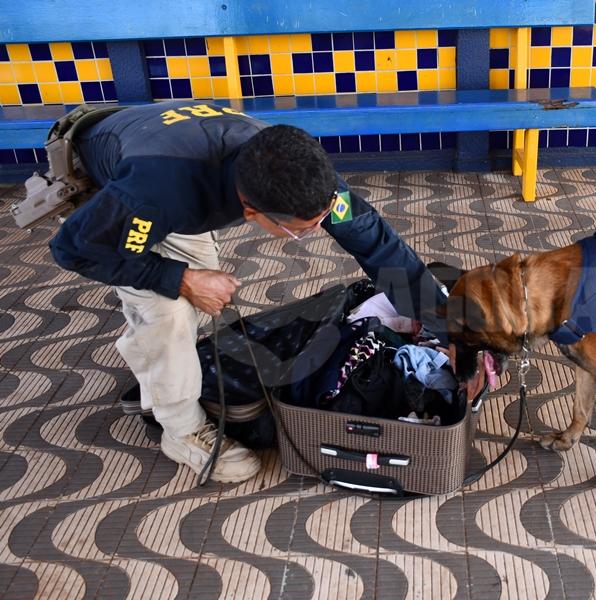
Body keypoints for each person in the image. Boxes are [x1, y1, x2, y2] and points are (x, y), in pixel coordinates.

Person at [49, 100, 447, 483]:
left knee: (186, 291)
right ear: (251, 213)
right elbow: (74, 249)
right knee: (168, 313)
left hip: (164, 154)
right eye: (301, 230)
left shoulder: (296, 168)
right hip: (113, 180)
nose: (315, 231)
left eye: (321, 220)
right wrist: (180, 279)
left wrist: (450, 329)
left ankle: (161, 371)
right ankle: (181, 432)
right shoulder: (153, 192)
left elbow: (375, 242)